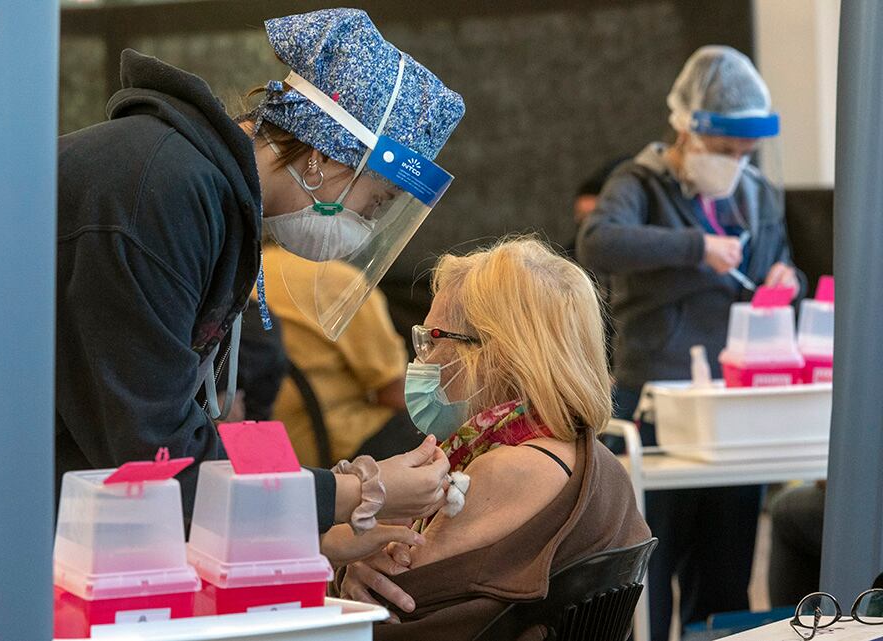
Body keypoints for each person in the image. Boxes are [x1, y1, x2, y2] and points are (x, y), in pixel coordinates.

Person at [55, 8, 465, 549]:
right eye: (377, 201)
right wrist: (358, 494)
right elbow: (156, 459)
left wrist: (325, 542)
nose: (365, 226)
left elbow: (186, 437)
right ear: (323, 157)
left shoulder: (212, 199)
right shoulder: (162, 193)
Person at [577, 46, 803, 641]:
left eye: (745, 153)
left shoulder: (756, 195)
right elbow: (597, 243)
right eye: (725, 151)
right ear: (687, 127)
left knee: (725, 569)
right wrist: (695, 247)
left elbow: (777, 264)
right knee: (649, 566)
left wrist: (788, 280)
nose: (735, 164)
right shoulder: (640, 183)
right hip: (653, 395)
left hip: (729, 403)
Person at [332, 238, 649, 640]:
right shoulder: (593, 457)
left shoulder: (504, 469)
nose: (421, 359)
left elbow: (394, 603)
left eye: (432, 339)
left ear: (492, 354)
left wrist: (344, 566)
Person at [262, 242, 424, 467]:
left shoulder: (247, 271)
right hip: (333, 449)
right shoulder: (339, 281)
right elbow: (397, 394)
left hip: (260, 448)